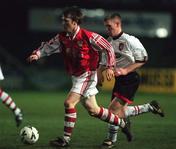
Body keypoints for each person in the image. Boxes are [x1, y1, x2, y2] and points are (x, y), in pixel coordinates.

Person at [27, 7, 131, 147]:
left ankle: (65, 139)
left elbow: (108, 47)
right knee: (93, 110)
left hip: (88, 75)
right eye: (62, 21)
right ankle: (122, 123)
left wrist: (110, 66)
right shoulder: (62, 37)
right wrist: (37, 54)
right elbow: (48, 47)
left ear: (75, 22)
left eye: (66, 21)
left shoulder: (88, 36)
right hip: (76, 77)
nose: (63, 23)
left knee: (69, 103)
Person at [97, 13, 165, 148]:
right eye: (106, 27)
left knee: (112, 111)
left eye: (109, 26)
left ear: (117, 24)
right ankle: (150, 107)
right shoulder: (108, 42)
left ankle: (110, 140)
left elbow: (143, 58)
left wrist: (126, 70)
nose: (107, 29)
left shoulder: (130, 40)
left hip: (130, 79)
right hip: (119, 81)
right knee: (118, 113)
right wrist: (99, 75)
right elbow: (104, 63)